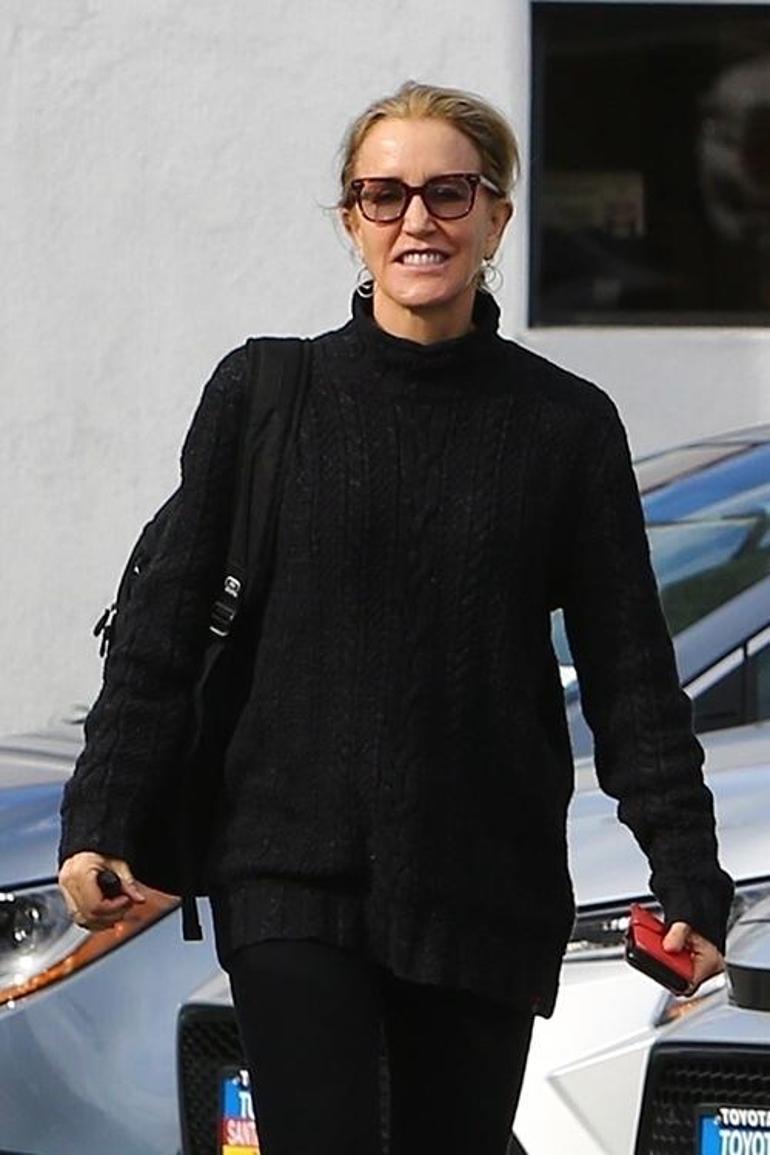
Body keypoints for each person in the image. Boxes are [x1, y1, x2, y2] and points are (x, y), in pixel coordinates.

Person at [58, 81, 734, 1155]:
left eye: (447, 193)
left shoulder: (564, 426)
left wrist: (687, 873)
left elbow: (631, 676)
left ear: (495, 218)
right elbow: (163, 627)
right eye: (384, 195)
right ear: (352, 220)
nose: (417, 219)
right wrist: (101, 813)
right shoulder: (265, 394)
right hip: (288, 870)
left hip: (483, 884)